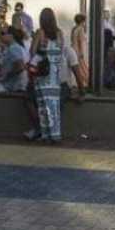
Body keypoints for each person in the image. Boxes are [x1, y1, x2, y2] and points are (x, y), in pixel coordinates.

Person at [27, 8, 83, 143]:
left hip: (42, 75)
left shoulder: (40, 33)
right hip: (54, 76)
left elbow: (32, 52)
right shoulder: (59, 33)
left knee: (42, 106)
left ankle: (46, 135)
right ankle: (55, 134)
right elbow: (60, 52)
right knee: (53, 106)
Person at [71, 13, 90, 89]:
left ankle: (77, 82)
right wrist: (81, 52)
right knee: (83, 67)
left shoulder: (74, 28)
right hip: (80, 50)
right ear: (82, 21)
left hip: (74, 48)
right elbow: (81, 41)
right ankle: (85, 82)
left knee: (77, 66)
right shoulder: (80, 29)